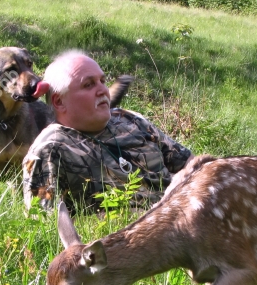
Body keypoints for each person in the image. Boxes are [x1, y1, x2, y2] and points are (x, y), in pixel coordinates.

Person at [22, 50, 194, 214]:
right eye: (88, 85)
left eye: (102, 81)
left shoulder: (129, 119)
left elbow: (192, 164)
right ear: (59, 101)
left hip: (187, 216)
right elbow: (46, 225)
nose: (103, 90)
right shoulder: (50, 150)